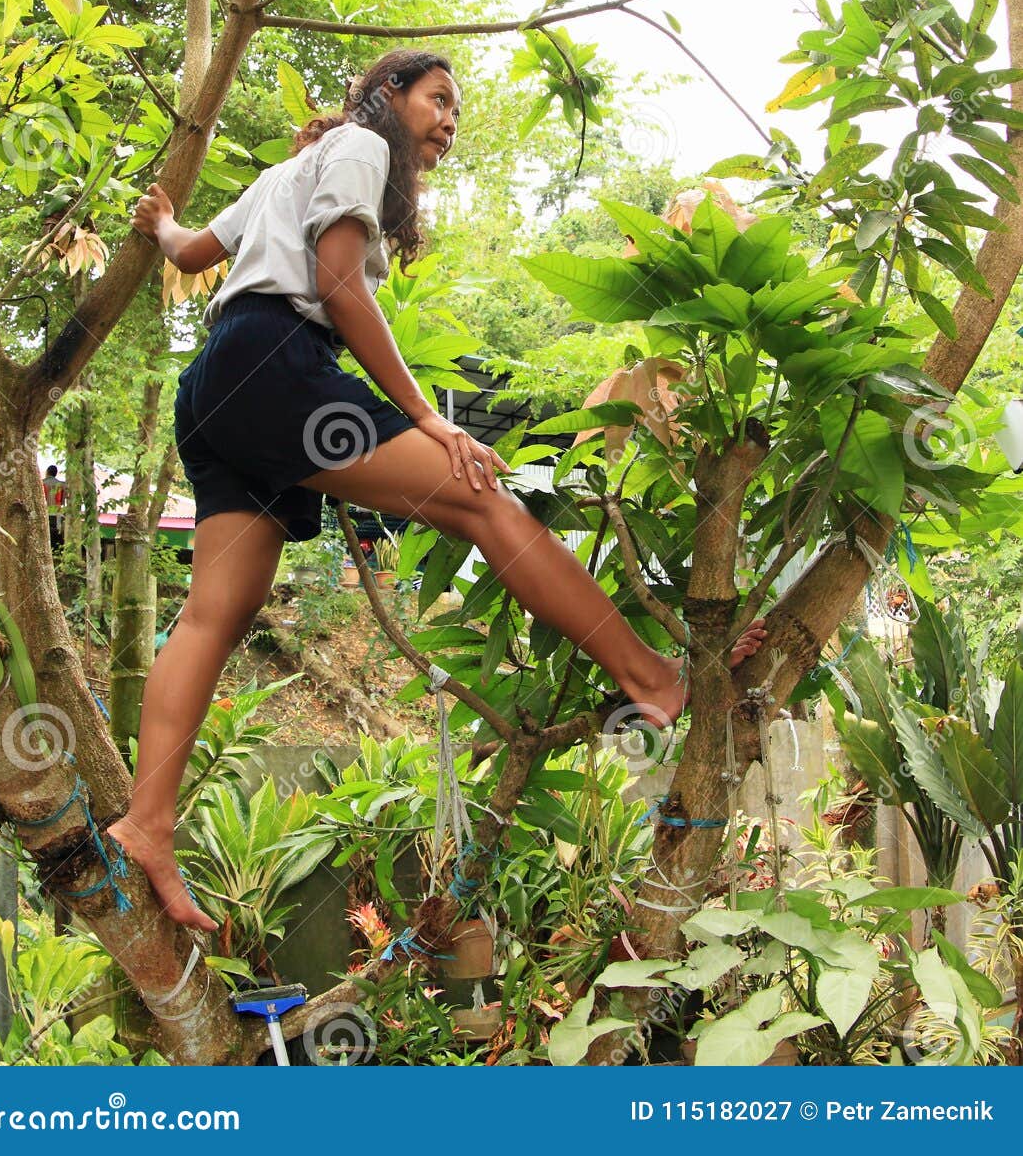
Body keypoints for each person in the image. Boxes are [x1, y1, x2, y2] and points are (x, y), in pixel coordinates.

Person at [111, 48, 765, 929]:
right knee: (480, 499)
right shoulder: (358, 146)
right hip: (276, 362)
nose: (448, 121)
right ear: (386, 93)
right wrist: (427, 416)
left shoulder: (290, 170)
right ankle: (651, 677)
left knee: (211, 617)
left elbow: (195, 251)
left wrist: (161, 223)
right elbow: (338, 283)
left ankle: (146, 823)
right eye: (437, 99)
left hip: (214, 388)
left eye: (456, 110)